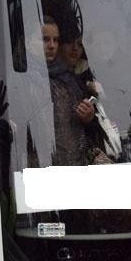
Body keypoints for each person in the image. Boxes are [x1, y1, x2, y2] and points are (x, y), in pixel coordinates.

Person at [42, 16, 96, 166]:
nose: (52, 45)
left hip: (76, 170)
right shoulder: (18, 78)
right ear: (28, 41)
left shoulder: (70, 79)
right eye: (45, 39)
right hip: (39, 173)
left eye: (56, 40)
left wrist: (88, 117)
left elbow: (88, 131)